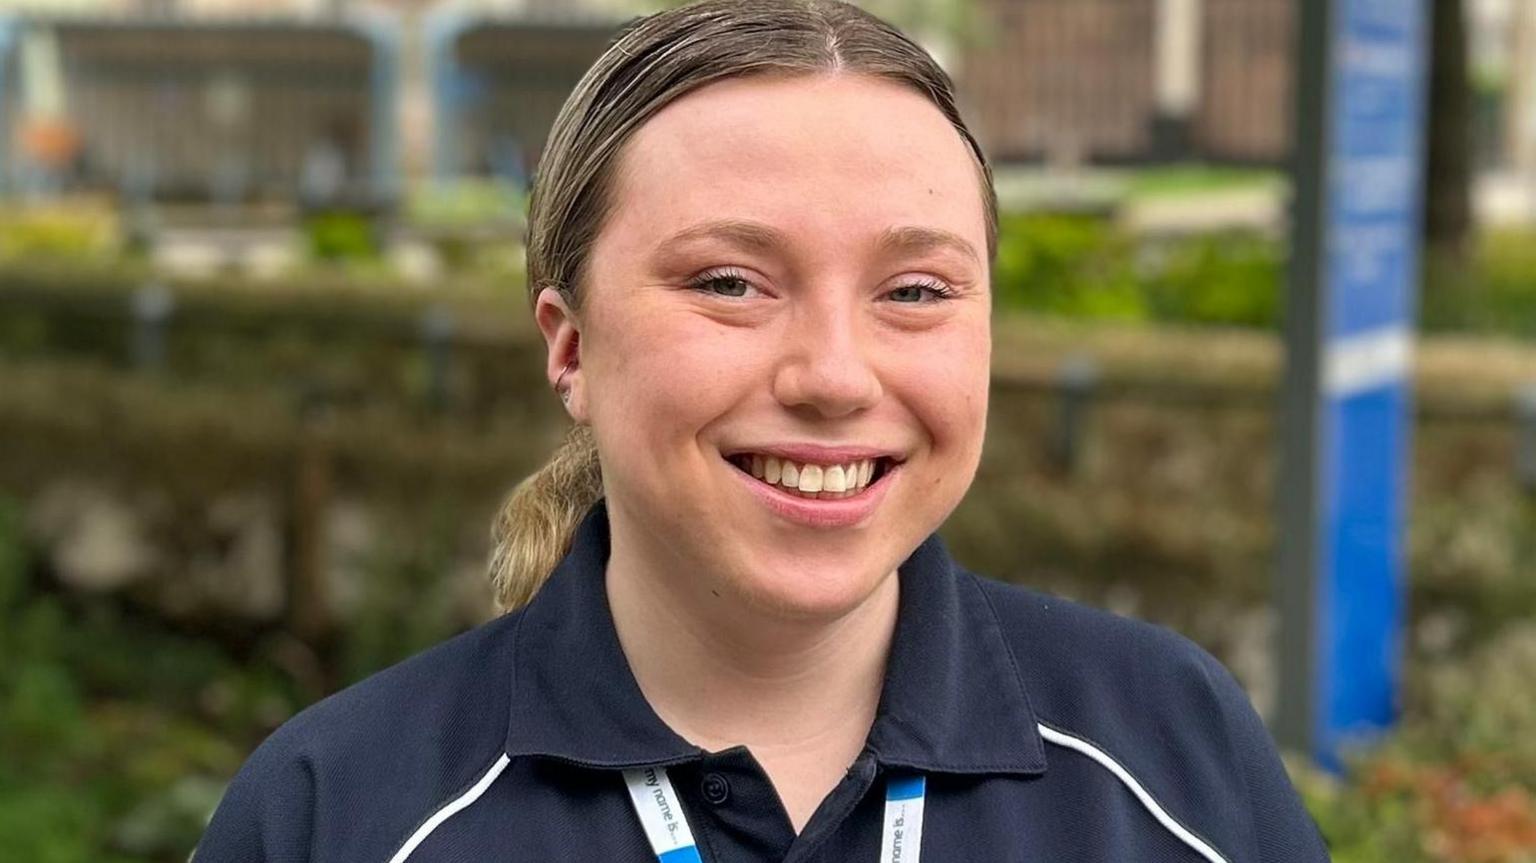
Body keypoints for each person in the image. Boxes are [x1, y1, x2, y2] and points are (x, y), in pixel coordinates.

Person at [194, 1, 1331, 860]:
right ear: (571, 346)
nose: (834, 376)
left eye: (917, 290)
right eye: (732, 281)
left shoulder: (1172, 756)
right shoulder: (337, 810)